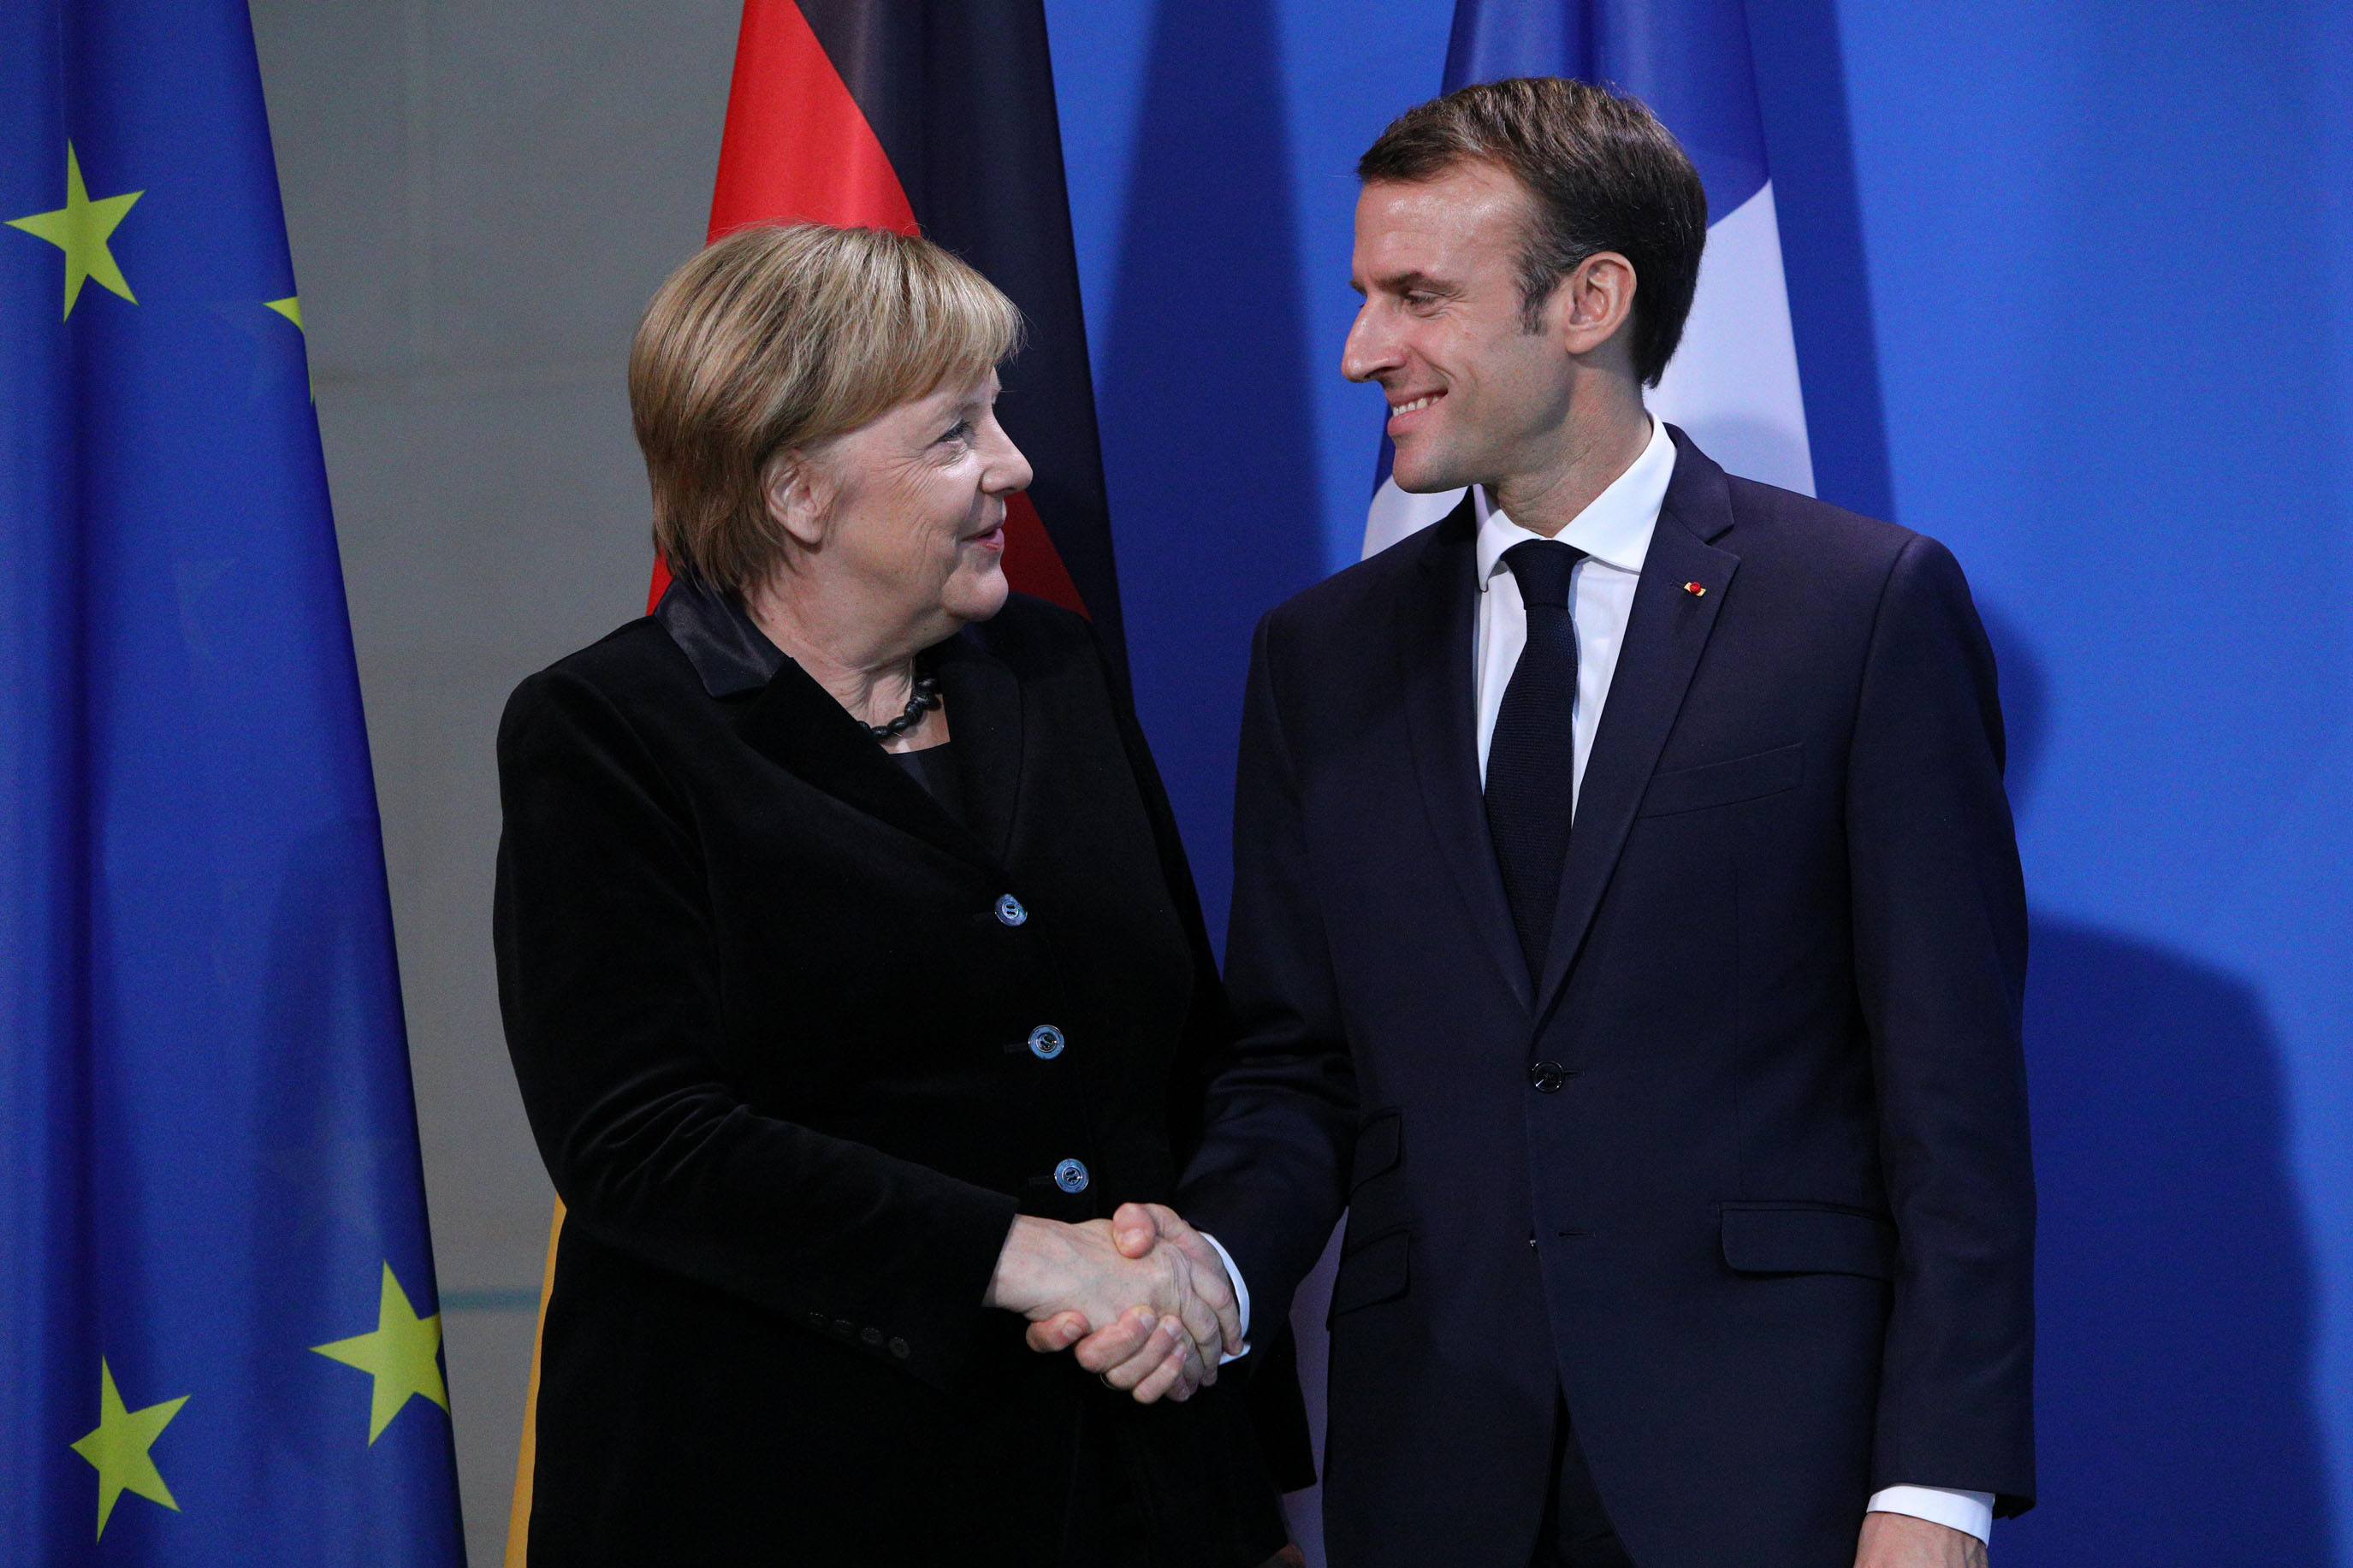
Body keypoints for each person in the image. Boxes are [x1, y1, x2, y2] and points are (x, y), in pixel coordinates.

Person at [1078, 78, 2034, 1568]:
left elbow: (1948, 1093)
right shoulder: (1315, 656)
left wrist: (1935, 1490)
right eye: (1360, 296)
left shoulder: (1855, 610)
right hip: (1437, 1467)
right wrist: (1208, 1263)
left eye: (1414, 296)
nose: (1358, 350)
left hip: (1769, 1466)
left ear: (1588, 299)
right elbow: (1293, 1069)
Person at [493, 222, 1296, 1567]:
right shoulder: (607, 727)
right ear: (795, 489)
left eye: (998, 416)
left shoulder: (1052, 668)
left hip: (1130, 1483)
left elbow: (1179, 1056)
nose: (1013, 467)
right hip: (777, 1493)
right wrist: (1032, 1255)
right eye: (953, 433)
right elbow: (638, 1136)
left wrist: (1185, 1302)